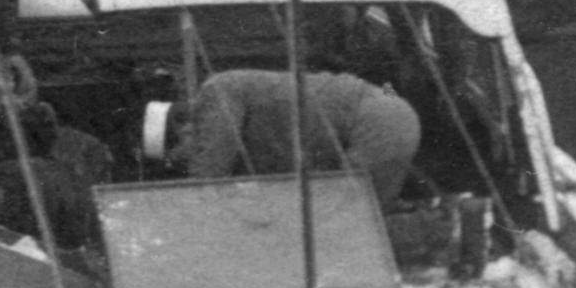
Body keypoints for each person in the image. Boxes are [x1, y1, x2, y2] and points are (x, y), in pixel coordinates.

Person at [180, 66, 421, 210]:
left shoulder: (215, 91)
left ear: (185, 128)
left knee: (351, 221)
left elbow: (209, 173)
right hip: (388, 109)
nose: (182, 158)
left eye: (177, 149)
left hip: (379, 119)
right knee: (364, 219)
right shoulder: (233, 94)